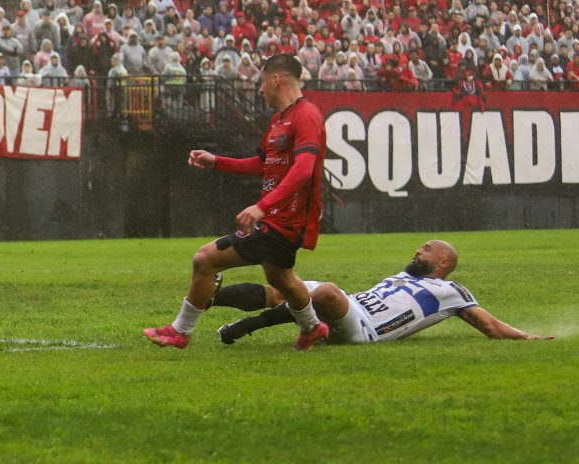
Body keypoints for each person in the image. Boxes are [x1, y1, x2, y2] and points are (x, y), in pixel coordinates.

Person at [143, 53, 330, 350]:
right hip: (277, 220)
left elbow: (304, 171)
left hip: (283, 222)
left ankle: (181, 331)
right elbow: (261, 164)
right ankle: (311, 327)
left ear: (275, 79)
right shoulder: (279, 120)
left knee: (205, 259)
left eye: (261, 83)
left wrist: (262, 207)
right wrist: (217, 161)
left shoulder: (306, 116)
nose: (259, 90)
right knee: (281, 278)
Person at [213, 240, 552, 345]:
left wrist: (526, 337)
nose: (419, 251)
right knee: (287, 286)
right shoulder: (407, 274)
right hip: (353, 305)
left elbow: (489, 325)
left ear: (444, 260)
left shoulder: (448, 290)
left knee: (325, 292)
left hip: (365, 329)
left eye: (427, 249)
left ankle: (243, 328)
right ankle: (212, 296)